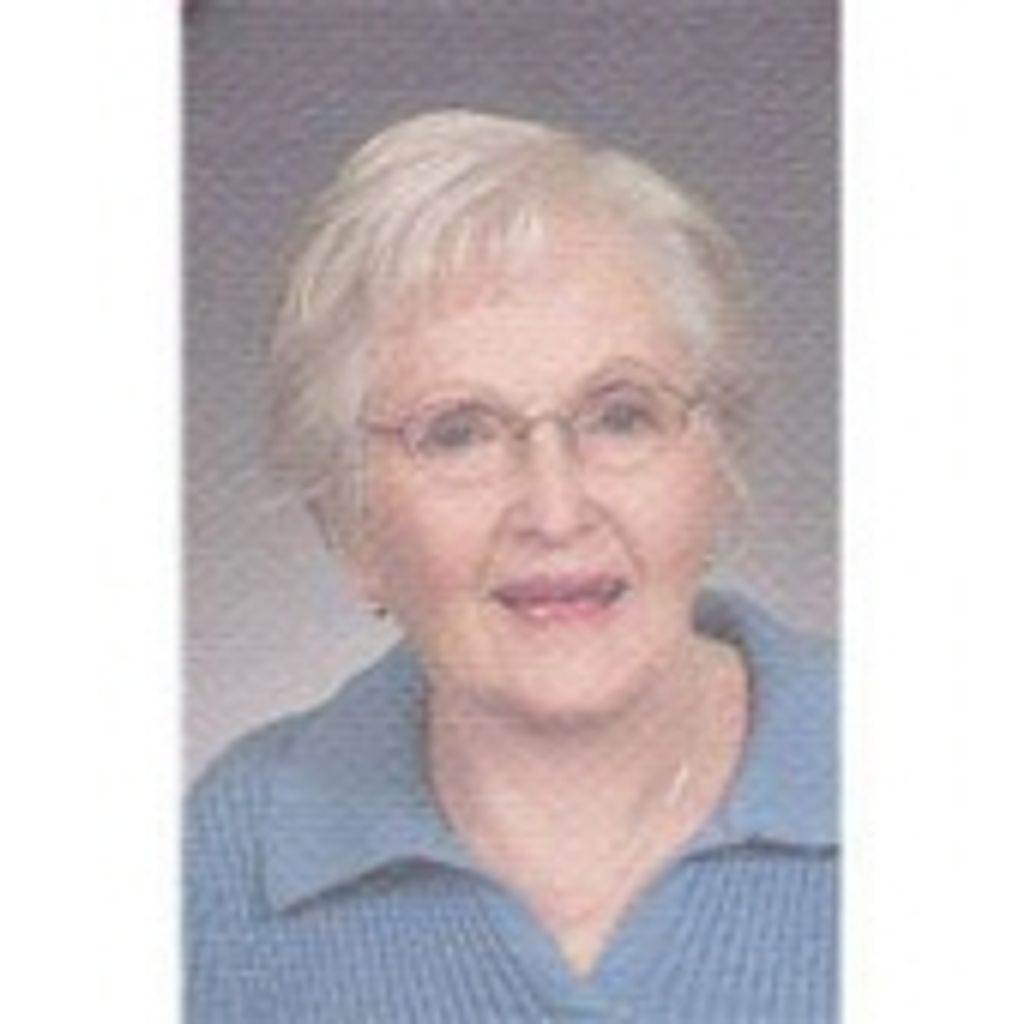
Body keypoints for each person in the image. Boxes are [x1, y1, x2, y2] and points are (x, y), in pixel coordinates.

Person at [186, 109, 837, 1023]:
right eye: (458, 434)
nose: (555, 512)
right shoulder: (226, 863)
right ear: (351, 527)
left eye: (620, 416)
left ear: (717, 467)